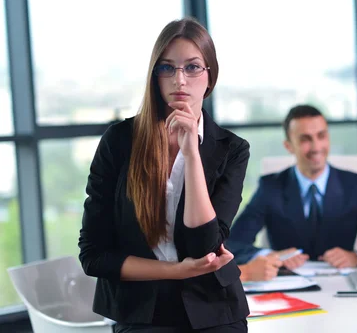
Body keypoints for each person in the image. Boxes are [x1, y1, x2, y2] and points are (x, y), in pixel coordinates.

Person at [78, 17, 250, 332]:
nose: (179, 80)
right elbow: (94, 256)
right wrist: (176, 271)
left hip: (213, 307)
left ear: (209, 77)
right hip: (141, 310)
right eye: (167, 68)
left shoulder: (232, 150)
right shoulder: (119, 141)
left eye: (193, 67)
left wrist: (191, 154)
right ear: (155, 76)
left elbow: (205, 247)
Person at [228, 105, 357, 276]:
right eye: (305, 139)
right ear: (289, 145)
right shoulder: (270, 187)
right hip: (289, 282)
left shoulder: (355, 184)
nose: (316, 146)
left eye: (321, 136)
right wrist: (270, 256)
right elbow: (234, 243)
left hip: (342, 281)